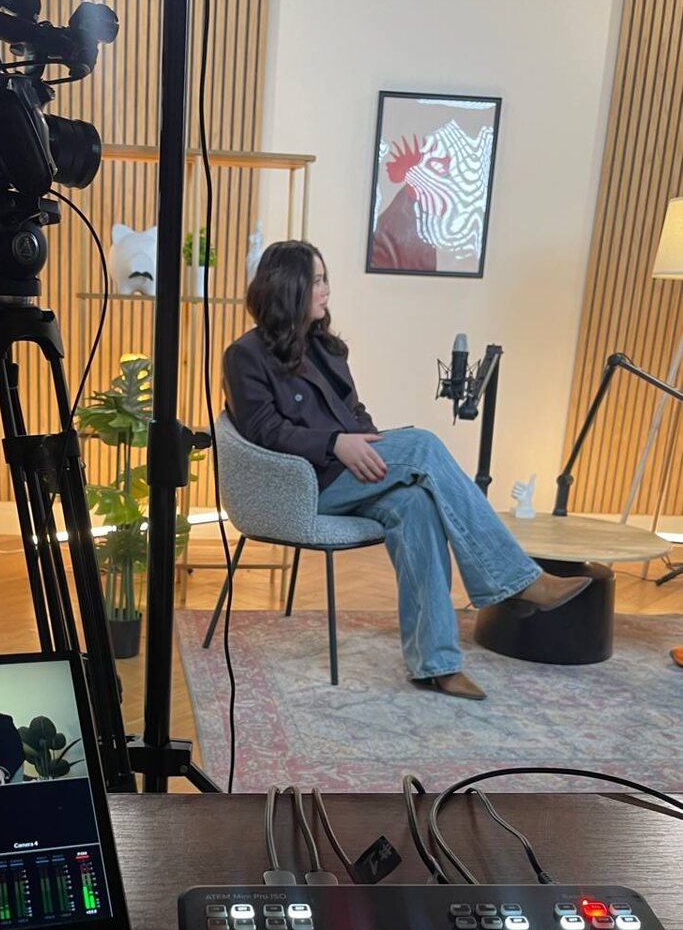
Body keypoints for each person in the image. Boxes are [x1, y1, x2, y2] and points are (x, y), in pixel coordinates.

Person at [222, 241, 591, 700]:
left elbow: (355, 411)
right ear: (290, 287)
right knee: (423, 445)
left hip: (346, 472)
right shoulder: (245, 355)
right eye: (316, 280)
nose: (326, 289)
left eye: (325, 278)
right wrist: (336, 443)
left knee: (415, 502)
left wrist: (368, 445)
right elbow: (262, 430)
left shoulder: (324, 346)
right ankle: (517, 581)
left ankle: (435, 665)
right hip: (304, 484)